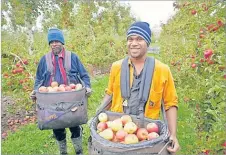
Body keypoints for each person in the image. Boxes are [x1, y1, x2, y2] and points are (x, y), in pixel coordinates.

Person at [101, 21, 180, 153]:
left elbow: (170, 103)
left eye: (139, 39)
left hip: (147, 134)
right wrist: (99, 115)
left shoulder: (162, 70)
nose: (134, 43)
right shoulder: (117, 67)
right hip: (118, 131)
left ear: (147, 43)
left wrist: (173, 135)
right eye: (130, 39)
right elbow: (110, 94)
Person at [30, 28, 91, 155]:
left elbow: (84, 75)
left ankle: (79, 151)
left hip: (72, 100)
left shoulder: (72, 57)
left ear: (62, 42)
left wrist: (87, 87)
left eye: (57, 41)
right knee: (57, 127)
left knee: (75, 125)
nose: (54, 44)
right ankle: (63, 152)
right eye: (51, 42)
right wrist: (36, 91)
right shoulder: (44, 60)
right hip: (53, 102)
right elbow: (39, 79)